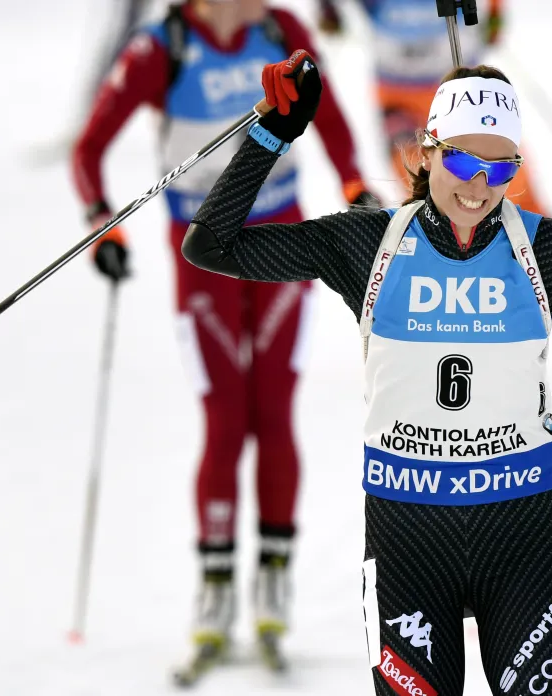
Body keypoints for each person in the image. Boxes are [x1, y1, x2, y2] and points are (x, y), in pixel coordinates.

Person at [181, 51, 552, 695]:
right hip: (408, 541)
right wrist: (272, 135)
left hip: (520, 538)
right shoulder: (365, 243)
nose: (478, 186)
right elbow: (211, 246)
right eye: (463, 160)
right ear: (428, 150)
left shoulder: (550, 247)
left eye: (501, 168)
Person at [71, 0, 377, 662]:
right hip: (201, 256)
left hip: (281, 251)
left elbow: (331, 118)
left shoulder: (279, 31)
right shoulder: (162, 49)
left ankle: (272, 583)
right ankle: (214, 588)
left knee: (272, 412)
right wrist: (103, 225)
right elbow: (89, 149)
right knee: (224, 418)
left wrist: (354, 181)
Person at [318, 0, 548, 214]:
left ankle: (540, 241)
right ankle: (442, 247)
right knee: (420, 180)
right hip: (398, 90)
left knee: (499, 172)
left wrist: (495, 13)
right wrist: (328, 9)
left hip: (459, 84)